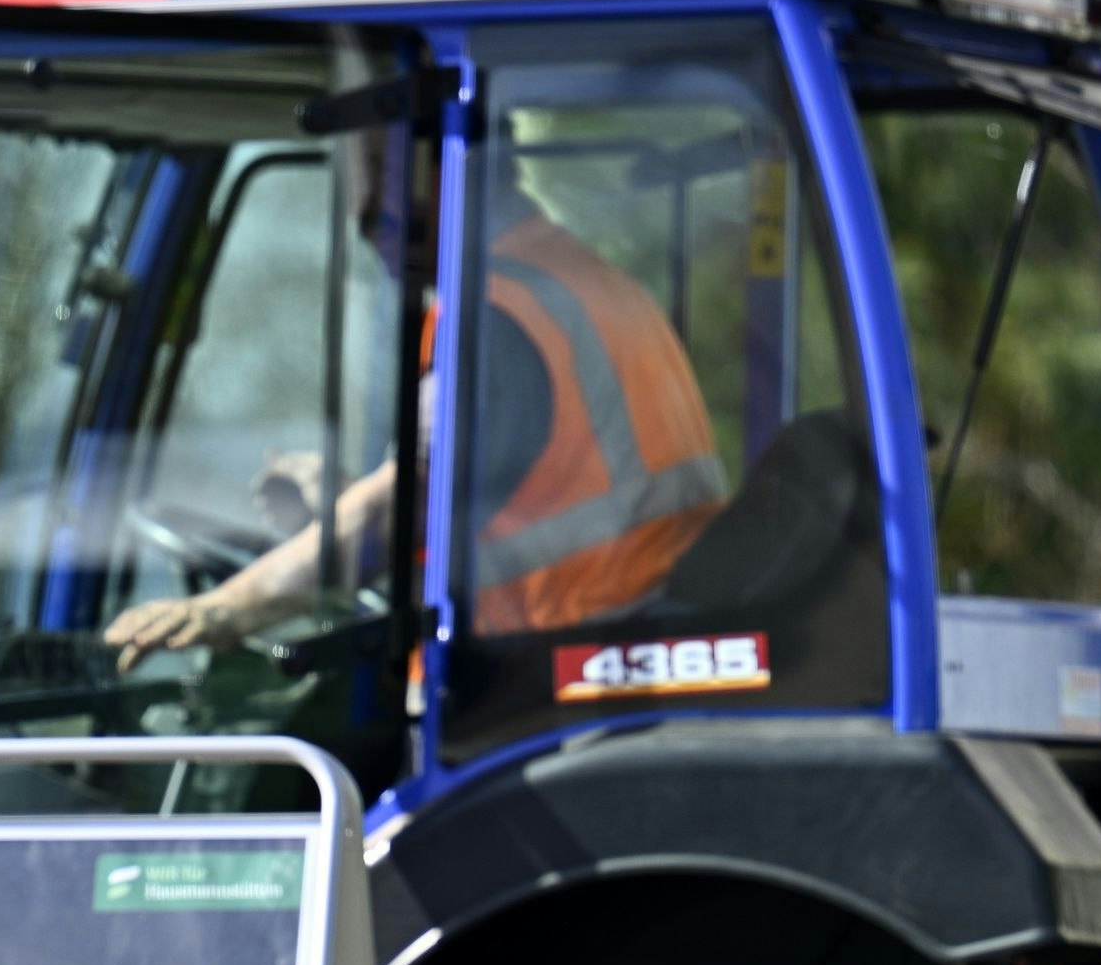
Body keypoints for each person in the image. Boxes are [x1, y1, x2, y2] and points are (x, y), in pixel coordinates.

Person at [105, 166, 725, 663]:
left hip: (552, 671)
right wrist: (346, 499)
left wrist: (231, 608)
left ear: (438, 154)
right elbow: (511, 495)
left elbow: (409, 500)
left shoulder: (500, 312)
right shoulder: (567, 276)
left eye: (380, 172)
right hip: (623, 645)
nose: (365, 216)